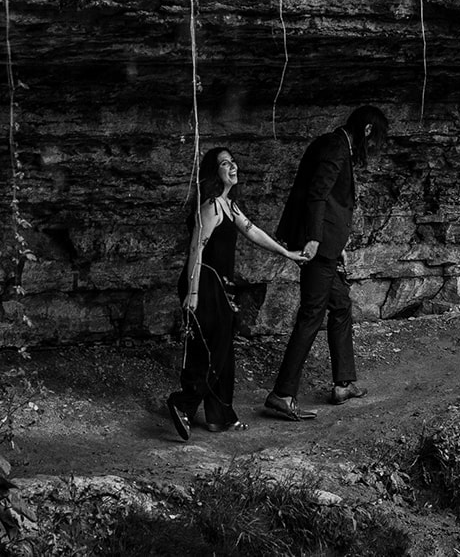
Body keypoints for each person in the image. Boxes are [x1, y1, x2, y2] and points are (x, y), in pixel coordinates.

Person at [166, 146, 307, 440]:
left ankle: (220, 416)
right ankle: (183, 403)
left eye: (233, 162)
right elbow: (196, 249)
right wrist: (192, 294)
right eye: (225, 163)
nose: (233, 166)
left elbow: (254, 231)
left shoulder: (229, 206)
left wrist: (287, 253)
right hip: (202, 283)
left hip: (220, 287)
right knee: (210, 350)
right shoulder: (211, 206)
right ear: (213, 172)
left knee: (224, 351)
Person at [263, 106, 389, 421]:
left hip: (326, 248)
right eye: (374, 143)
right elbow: (317, 195)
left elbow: (327, 200)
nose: (371, 151)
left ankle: (343, 382)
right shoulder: (335, 147)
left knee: (341, 305)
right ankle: (282, 394)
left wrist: (335, 246)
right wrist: (315, 240)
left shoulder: (330, 144)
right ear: (368, 130)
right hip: (318, 248)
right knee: (311, 315)